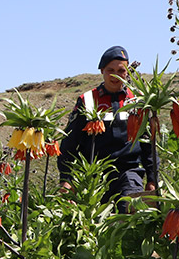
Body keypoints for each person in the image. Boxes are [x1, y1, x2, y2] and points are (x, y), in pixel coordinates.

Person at [57, 46, 157, 212]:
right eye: (110, 70)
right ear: (102, 71)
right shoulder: (87, 100)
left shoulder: (137, 101)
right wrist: (66, 179)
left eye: (121, 70)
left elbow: (148, 143)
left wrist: (152, 178)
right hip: (95, 174)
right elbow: (69, 143)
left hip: (129, 171)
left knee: (130, 213)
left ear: (127, 73)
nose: (115, 75)